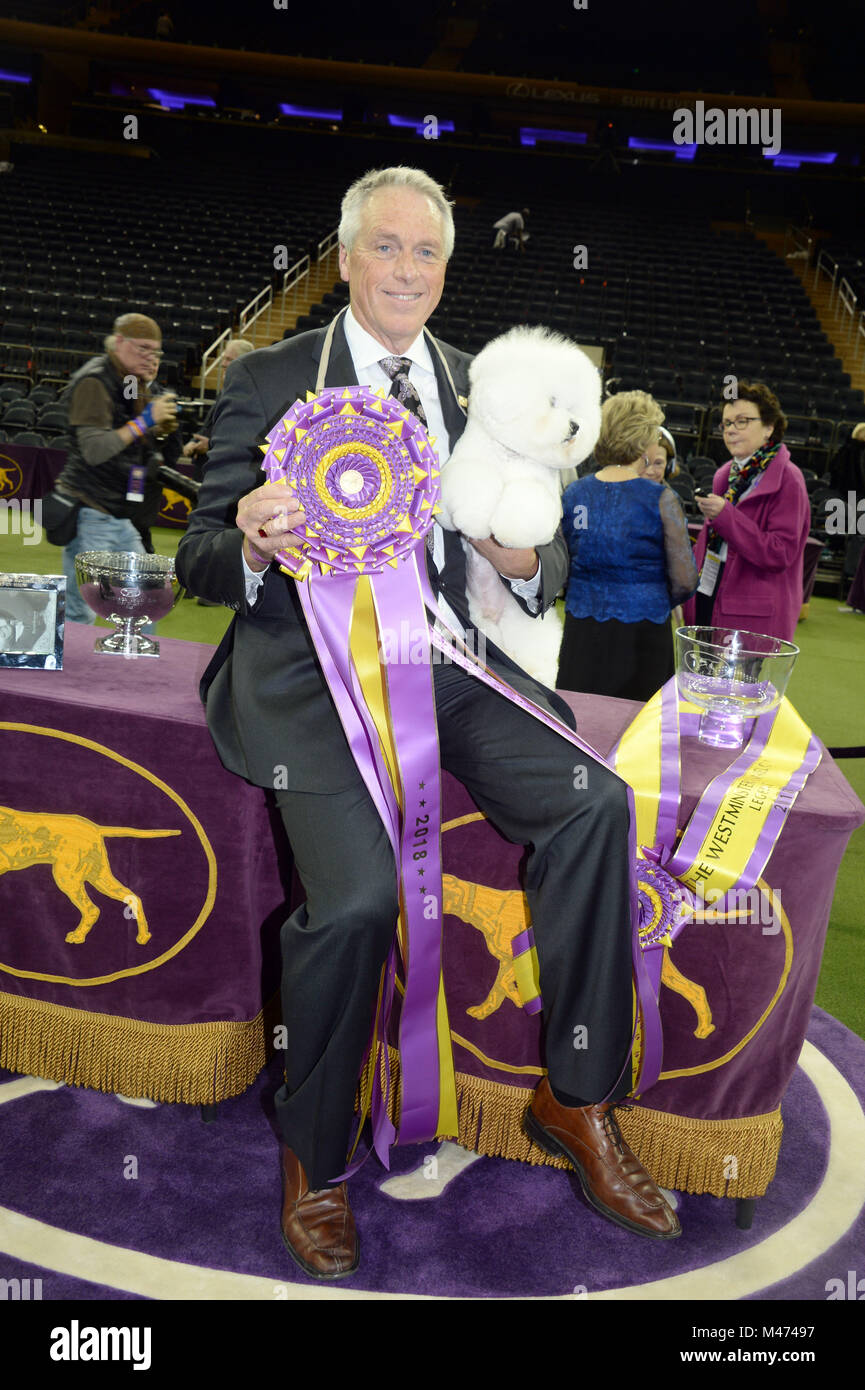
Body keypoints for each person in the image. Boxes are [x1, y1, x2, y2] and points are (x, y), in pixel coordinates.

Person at [176, 167, 680, 1279]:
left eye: (427, 254)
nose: (406, 270)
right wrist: (254, 537)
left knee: (596, 802)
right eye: (387, 249)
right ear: (348, 258)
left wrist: (520, 557)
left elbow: (540, 549)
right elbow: (200, 557)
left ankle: (577, 1095)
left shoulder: (475, 383)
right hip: (309, 677)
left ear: (446, 271)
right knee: (352, 905)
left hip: (446, 662)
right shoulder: (269, 375)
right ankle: (314, 1153)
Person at [558, 392, 698, 700]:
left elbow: (562, 565)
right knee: (637, 731)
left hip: (582, 630)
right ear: (644, 439)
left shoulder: (574, 493)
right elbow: (685, 579)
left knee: (582, 722)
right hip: (642, 634)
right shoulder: (660, 498)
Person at [55, 313, 177, 625]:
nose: (150, 357)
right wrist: (145, 421)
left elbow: (137, 443)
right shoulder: (95, 381)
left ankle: (136, 666)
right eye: (143, 348)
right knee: (80, 610)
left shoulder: (130, 382)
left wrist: (156, 427)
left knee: (147, 596)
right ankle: (70, 672)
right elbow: (95, 450)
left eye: (156, 351)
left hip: (116, 513)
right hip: (91, 510)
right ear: (119, 342)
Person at [682, 383, 810, 643]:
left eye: (742, 421)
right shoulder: (724, 475)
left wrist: (725, 516)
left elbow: (779, 553)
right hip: (710, 597)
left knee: (741, 685)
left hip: (754, 617)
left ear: (769, 427)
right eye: (726, 423)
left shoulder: (789, 479)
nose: (731, 430)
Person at [182, 338, 256, 465]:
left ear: (244, 364)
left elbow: (241, 438)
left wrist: (209, 445)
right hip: (206, 466)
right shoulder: (225, 391)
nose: (222, 364)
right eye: (223, 358)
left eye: (229, 360)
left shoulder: (250, 397)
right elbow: (209, 427)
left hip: (224, 469)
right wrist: (193, 442)